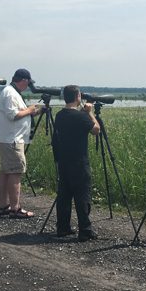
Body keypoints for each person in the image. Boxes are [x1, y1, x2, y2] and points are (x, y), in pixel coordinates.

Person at [52, 85, 100, 241]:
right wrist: (90, 112)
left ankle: (63, 227)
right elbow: (96, 130)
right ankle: (85, 230)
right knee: (82, 196)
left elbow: (74, 121)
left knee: (64, 195)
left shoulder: (59, 115)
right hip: (79, 162)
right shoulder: (81, 117)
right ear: (78, 96)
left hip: (64, 161)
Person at [0, 68, 42, 218]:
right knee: (15, 172)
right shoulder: (10, 93)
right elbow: (13, 115)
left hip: (7, 138)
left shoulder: (11, 92)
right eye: (28, 84)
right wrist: (29, 110)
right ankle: (15, 209)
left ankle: (4, 206)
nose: (28, 87)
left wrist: (34, 111)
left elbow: (18, 113)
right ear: (23, 81)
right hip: (12, 139)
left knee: (6, 172)